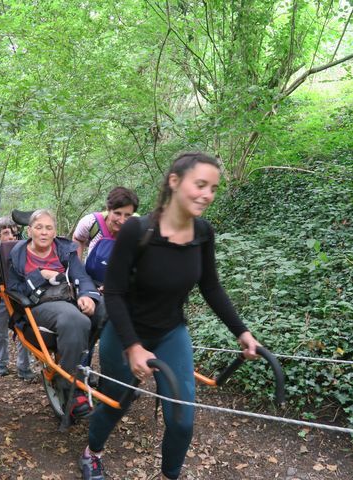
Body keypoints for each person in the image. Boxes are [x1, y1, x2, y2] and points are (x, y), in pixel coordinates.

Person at [79, 152, 261, 480]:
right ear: (175, 182)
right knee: (118, 401)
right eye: (200, 184)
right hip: (124, 331)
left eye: (214, 188)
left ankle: (169, 475)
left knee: (182, 417)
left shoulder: (203, 232)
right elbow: (115, 293)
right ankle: (92, 452)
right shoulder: (137, 229)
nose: (207, 194)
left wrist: (242, 332)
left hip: (170, 332)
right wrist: (133, 346)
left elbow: (211, 287)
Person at [6, 209, 106, 417]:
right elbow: (14, 290)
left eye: (48, 227)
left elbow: (82, 276)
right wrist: (40, 275)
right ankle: (69, 386)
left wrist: (88, 295)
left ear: (55, 231)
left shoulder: (64, 249)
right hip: (37, 307)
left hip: (68, 298)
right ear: (30, 230)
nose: (43, 232)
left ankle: (109, 375)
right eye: (39, 227)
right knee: (75, 320)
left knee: (105, 308)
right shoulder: (17, 254)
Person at [0, 217, 35, 380]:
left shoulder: (24, 248)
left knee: (23, 330)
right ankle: (1, 365)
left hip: (18, 296)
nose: (11, 237)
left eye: (14, 233)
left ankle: (24, 368)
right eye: (6, 233)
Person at [72, 186, 139, 260]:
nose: (122, 221)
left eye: (127, 215)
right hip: (91, 270)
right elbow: (78, 239)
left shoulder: (137, 227)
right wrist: (76, 267)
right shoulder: (91, 222)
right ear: (108, 209)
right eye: (117, 213)